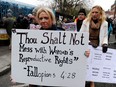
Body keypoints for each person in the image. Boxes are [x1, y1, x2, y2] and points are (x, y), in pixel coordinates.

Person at [80, 5, 108, 87]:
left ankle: (92, 81)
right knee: (85, 63)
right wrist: (88, 42)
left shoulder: (105, 23)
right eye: (93, 12)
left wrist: (104, 43)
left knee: (94, 64)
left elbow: (105, 36)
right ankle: (83, 80)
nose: (94, 14)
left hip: (97, 46)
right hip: (87, 44)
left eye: (96, 12)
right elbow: (81, 34)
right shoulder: (85, 22)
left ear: (100, 13)